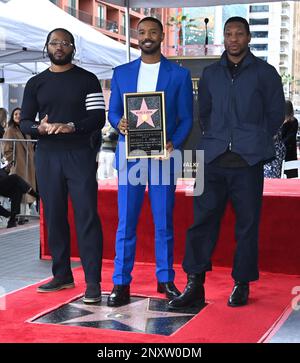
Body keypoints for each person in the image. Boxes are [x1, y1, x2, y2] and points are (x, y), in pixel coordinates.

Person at [169, 17, 285, 310]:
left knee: (247, 225)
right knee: (200, 223)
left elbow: (274, 116)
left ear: (248, 38)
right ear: (224, 38)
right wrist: (219, 139)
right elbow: (203, 114)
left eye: (239, 34)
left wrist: (250, 140)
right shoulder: (210, 73)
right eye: (228, 34)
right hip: (211, 160)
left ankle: (241, 283)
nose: (233, 39)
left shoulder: (266, 73)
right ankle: (194, 284)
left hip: (248, 161)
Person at [107, 17, 193, 307]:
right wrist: (118, 122)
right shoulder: (121, 73)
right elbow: (113, 112)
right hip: (129, 156)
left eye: (152, 32)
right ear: (136, 36)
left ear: (161, 35)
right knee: (126, 222)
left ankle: (166, 279)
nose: (147, 36)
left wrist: (175, 142)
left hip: (162, 157)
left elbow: (186, 119)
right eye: (142, 32)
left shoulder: (179, 75)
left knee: (163, 221)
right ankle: (121, 283)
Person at [20, 28, 105, 304]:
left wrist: (72, 127)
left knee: (86, 216)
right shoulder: (35, 83)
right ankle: (62, 274)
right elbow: (24, 122)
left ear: (72, 48)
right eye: (54, 42)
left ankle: (93, 282)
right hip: (47, 156)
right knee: (54, 216)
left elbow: (97, 118)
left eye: (65, 43)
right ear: (46, 46)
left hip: (79, 154)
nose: (59, 47)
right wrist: (39, 128)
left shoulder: (87, 79)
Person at [3, 107, 37, 223]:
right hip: (19, 165)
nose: (18, 116)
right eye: (15, 114)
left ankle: (23, 215)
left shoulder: (25, 130)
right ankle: (20, 216)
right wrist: (13, 161)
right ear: (12, 117)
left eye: (20, 114)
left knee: (27, 190)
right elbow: (6, 149)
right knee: (20, 191)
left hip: (29, 165)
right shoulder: (10, 130)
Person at [0, 164, 38, 228]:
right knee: (15, 178)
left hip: (3, 183)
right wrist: (6, 214)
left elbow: (2, 174)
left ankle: (12, 220)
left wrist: (6, 170)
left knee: (17, 189)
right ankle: (37, 196)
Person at [282, 100, 298, 178]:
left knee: (290, 175)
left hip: (289, 151)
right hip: (282, 151)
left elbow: (290, 137)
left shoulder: (294, 121)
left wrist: (280, 145)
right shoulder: (280, 120)